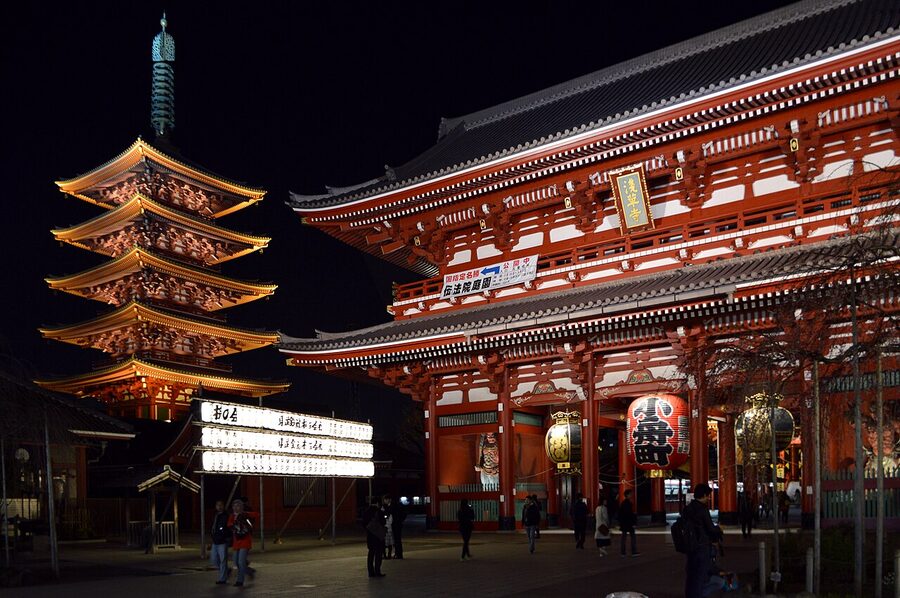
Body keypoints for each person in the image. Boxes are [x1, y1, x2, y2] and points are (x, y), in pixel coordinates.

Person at [682, 483, 724, 598]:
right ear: (704, 495)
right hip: (702, 547)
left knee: (691, 575)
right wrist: (718, 529)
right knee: (701, 576)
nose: (709, 498)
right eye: (708, 496)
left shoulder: (687, 508)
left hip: (690, 547)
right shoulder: (702, 509)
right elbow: (710, 528)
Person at [227, 498, 258, 587]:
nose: (236, 508)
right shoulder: (232, 516)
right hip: (236, 542)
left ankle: (240, 581)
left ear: (242, 507)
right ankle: (249, 571)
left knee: (240, 562)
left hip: (245, 541)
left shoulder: (245, 514)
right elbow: (229, 525)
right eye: (234, 506)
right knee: (236, 562)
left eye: (238, 506)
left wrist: (246, 515)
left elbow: (256, 515)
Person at [363, 498, 386, 577]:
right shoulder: (379, 511)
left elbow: (364, 524)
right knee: (378, 554)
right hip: (378, 536)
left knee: (371, 553)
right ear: (377, 503)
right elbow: (383, 522)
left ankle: (370, 572)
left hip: (370, 536)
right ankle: (377, 571)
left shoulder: (366, 512)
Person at [210, 500, 232, 584]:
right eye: (217, 505)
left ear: (223, 506)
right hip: (215, 540)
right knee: (214, 559)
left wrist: (226, 537)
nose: (219, 507)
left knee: (223, 560)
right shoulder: (215, 515)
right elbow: (213, 527)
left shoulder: (226, 515)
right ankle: (226, 571)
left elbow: (228, 528)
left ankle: (222, 579)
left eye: (221, 505)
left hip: (222, 541)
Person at [618, 489, 639, 557]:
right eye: (630, 494)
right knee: (632, 537)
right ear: (627, 495)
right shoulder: (628, 503)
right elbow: (629, 514)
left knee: (623, 538)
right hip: (628, 523)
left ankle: (623, 552)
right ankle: (633, 551)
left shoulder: (623, 503)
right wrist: (633, 522)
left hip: (624, 523)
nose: (631, 495)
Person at [383, 495, 395, 559]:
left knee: (386, 543)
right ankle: (388, 555)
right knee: (389, 543)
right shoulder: (389, 512)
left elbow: (390, 521)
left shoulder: (389, 512)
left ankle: (387, 555)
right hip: (388, 529)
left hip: (387, 529)